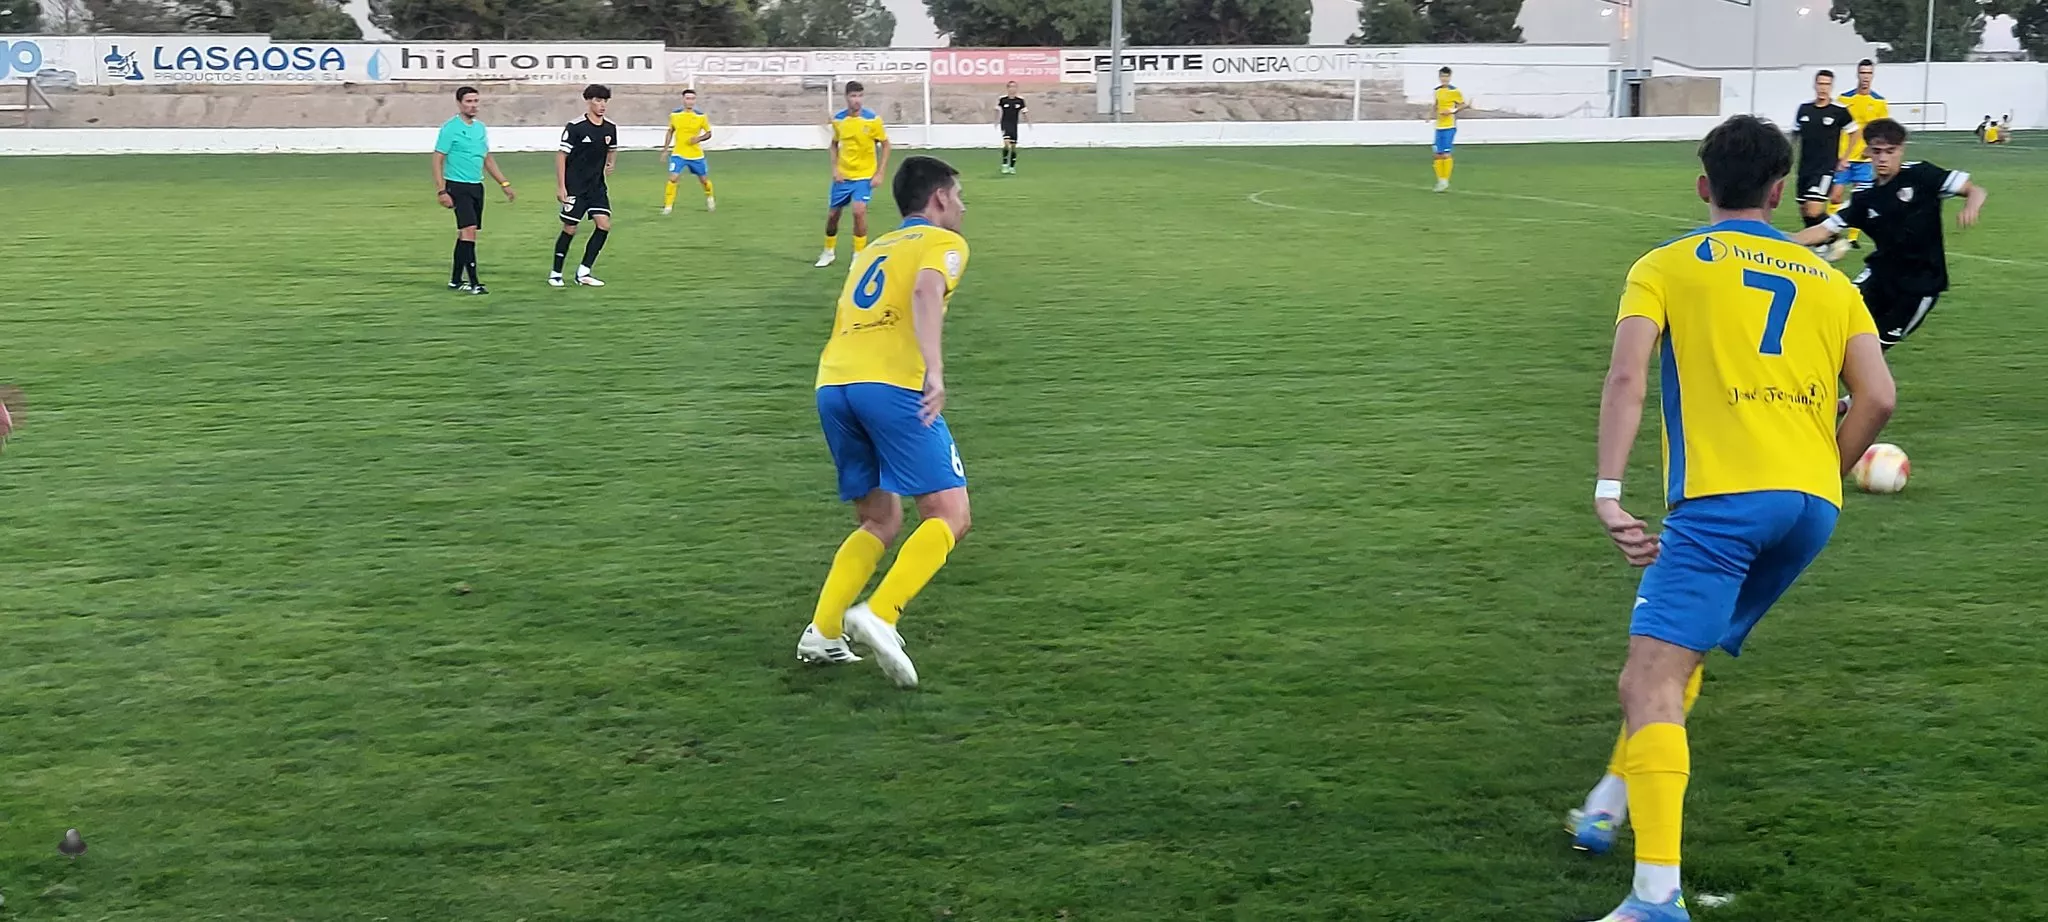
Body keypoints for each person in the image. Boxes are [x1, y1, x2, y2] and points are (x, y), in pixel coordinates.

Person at [1570, 114, 1896, 922]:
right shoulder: (1830, 279)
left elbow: (1625, 379)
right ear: (1782, 192)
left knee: (1645, 676)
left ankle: (1654, 900)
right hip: (1810, 506)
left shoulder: (1666, 265)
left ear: (1702, 184)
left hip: (1723, 503)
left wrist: (1609, 489)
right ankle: (1610, 802)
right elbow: (1881, 398)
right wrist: (1826, 467)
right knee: (1681, 658)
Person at [797, 156, 973, 689]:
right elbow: (924, 291)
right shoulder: (943, 244)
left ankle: (823, 632)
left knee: (878, 520)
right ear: (939, 198)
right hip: (890, 387)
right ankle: (883, 613)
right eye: (959, 195)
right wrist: (935, 372)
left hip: (834, 384)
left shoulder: (872, 248)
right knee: (950, 513)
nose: (963, 207)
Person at [1791, 118, 1987, 351]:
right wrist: (1779, 239)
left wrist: (1971, 206)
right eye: (1877, 151)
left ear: (1901, 149)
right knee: (1835, 323)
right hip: (1879, 277)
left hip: (1919, 285)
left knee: (1873, 348)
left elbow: (1975, 190)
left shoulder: (1921, 175)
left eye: (1890, 151)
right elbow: (1824, 229)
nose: (1883, 158)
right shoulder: (1865, 196)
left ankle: (1859, 387)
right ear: (1868, 153)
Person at [432, 86, 515, 295]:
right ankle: (475, 283)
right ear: (459, 103)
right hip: (457, 186)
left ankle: (455, 280)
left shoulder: (480, 128)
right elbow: (437, 159)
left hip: (476, 186)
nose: (473, 105)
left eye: (476, 101)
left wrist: (504, 184)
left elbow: (487, 158)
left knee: (466, 234)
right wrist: (442, 191)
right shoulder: (450, 128)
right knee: (469, 232)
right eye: (469, 101)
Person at [816, 81, 891, 268]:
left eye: (860, 96)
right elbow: (834, 144)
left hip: (864, 176)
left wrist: (880, 173)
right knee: (833, 215)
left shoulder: (873, 120)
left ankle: (858, 255)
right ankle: (828, 252)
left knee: (859, 211)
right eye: (853, 96)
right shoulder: (839, 120)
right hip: (843, 176)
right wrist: (835, 169)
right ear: (846, 97)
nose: (857, 100)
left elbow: (886, 145)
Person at [551, 84, 619, 288]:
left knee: (604, 225)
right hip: (575, 187)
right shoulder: (576, 127)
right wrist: (561, 187)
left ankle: (584, 272)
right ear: (588, 101)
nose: (602, 105)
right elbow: (561, 156)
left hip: (597, 187)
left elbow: (612, 148)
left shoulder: (610, 128)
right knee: (570, 228)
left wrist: (611, 162)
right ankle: (556, 272)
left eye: (605, 101)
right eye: (598, 100)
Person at [1827, 59, 1889, 259]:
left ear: (1873, 76)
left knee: (1860, 197)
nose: (1865, 77)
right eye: (1862, 72)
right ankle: (1832, 232)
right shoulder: (1844, 99)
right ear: (1857, 74)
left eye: (1869, 73)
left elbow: (1882, 128)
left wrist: (1872, 150)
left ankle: (1853, 237)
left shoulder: (1879, 101)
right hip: (1844, 157)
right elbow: (1835, 126)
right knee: (1836, 195)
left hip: (1864, 159)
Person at [1790, 70, 1852, 235]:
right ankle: (1819, 244)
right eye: (1820, 83)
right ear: (1814, 85)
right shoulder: (1804, 109)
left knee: (1814, 211)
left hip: (1825, 169)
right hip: (1804, 168)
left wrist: (1845, 158)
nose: (1823, 88)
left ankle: (1835, 236)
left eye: (1827, 84)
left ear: (1831, 86)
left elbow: (1855, 132)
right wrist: (1787, 155)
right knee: (1805, 210)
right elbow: (1795, 134)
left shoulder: (1839, 110)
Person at [662, 89, 715, 214]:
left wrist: (698, 139)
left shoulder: (701, 116)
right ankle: (668, 206)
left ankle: (710, 197)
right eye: (687, 98)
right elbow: (670, 131)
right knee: (673, 178)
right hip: (678, 153)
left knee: (704, 180)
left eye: (692, 99)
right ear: (683, 99)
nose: (690, 101)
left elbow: (709, 133)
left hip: (696, 154)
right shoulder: (675, 115)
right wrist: (665, 149)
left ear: (695, 100)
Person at [1431, 67, 1467, 192]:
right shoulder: (1437, 91)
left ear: (1450, 77)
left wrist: (1451, 111)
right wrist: (1429, 115)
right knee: (1437, 154)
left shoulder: (1455, 91)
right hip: (1439, 126)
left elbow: (1463, 105)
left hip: (1449, 126)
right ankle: (1440, 180)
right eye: (1442, 76)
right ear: (1439, 77)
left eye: (1446, 76)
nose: (1444, 79)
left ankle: (1445, 180)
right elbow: (1436, 104)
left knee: (1446, 153)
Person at [997, 81, 1028, 174]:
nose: (1012, 89)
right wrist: (995, 121)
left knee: (1013, 147)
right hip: (1005, 124)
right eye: (1010, 87)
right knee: (1007, 144)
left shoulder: (1020, 101)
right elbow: (997, 110)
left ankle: (1012, 166)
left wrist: (1028, 121)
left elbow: (1024, 112)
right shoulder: (1003, 100)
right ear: (1007, 88)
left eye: (1014, 87)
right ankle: (1004, 164)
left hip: (1014, 125)